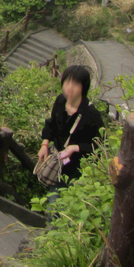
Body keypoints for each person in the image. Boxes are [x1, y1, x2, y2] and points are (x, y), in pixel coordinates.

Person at [38, 65, 104, 195]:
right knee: (53, 207)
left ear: (83, 88)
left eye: (75, 84)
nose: (69, 88)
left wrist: (76, 148)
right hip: (57, 166)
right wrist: (44, 144)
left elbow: (100, 145)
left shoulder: (91, 114)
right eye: (67, 82)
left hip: (77, 172)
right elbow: (51, 124)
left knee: (59, 208)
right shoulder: (60, 101)